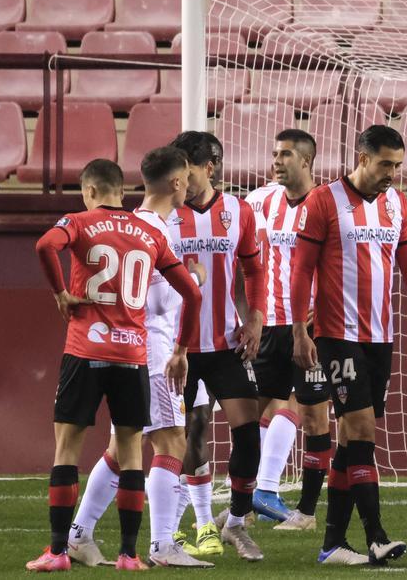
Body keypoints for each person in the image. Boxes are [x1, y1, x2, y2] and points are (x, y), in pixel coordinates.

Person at [292, 124, 407, 565]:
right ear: (362, 158)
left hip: (380, 337)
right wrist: (298, 329)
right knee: (363, 430)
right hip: (336, 335)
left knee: (350, 440)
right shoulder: (323, 200)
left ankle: (331, 545)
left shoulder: (396, 203)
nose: (392, 173)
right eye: (386, 164)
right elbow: (301, 269)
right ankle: (377, 537)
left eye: (398, 165)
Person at [28, 159, 203, 571]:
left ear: (90, 191)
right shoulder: (148, 231)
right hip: (133, 355)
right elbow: (192, 296)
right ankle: (129, 554)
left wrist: (60, 293)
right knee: (131, 453)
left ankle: (57, 552)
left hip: (85, 351)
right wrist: (181, 349)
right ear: (122, 191)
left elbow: (44, 246)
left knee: (67, 450)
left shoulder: (79, 221)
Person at [167, 131, 267, 561]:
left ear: (208, 167)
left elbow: (254, 272)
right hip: (179, 348)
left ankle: (237, 523)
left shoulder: (238, 212)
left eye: (184, 168)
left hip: (227, 342)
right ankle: (174, 530)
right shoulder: (162, 214)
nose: (178, 178)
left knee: (248, 436)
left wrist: (256, 319)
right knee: (185, 438)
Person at [245, 129, 332, 530]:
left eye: (285, 155)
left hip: (311, 327)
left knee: (313, 417)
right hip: (268, 327)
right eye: (274, 153)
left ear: (306, 161)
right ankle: (255, 495)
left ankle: (304, 512)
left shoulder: (328, 204)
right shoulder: (260, 201)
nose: (277, 161)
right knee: (254, 413)